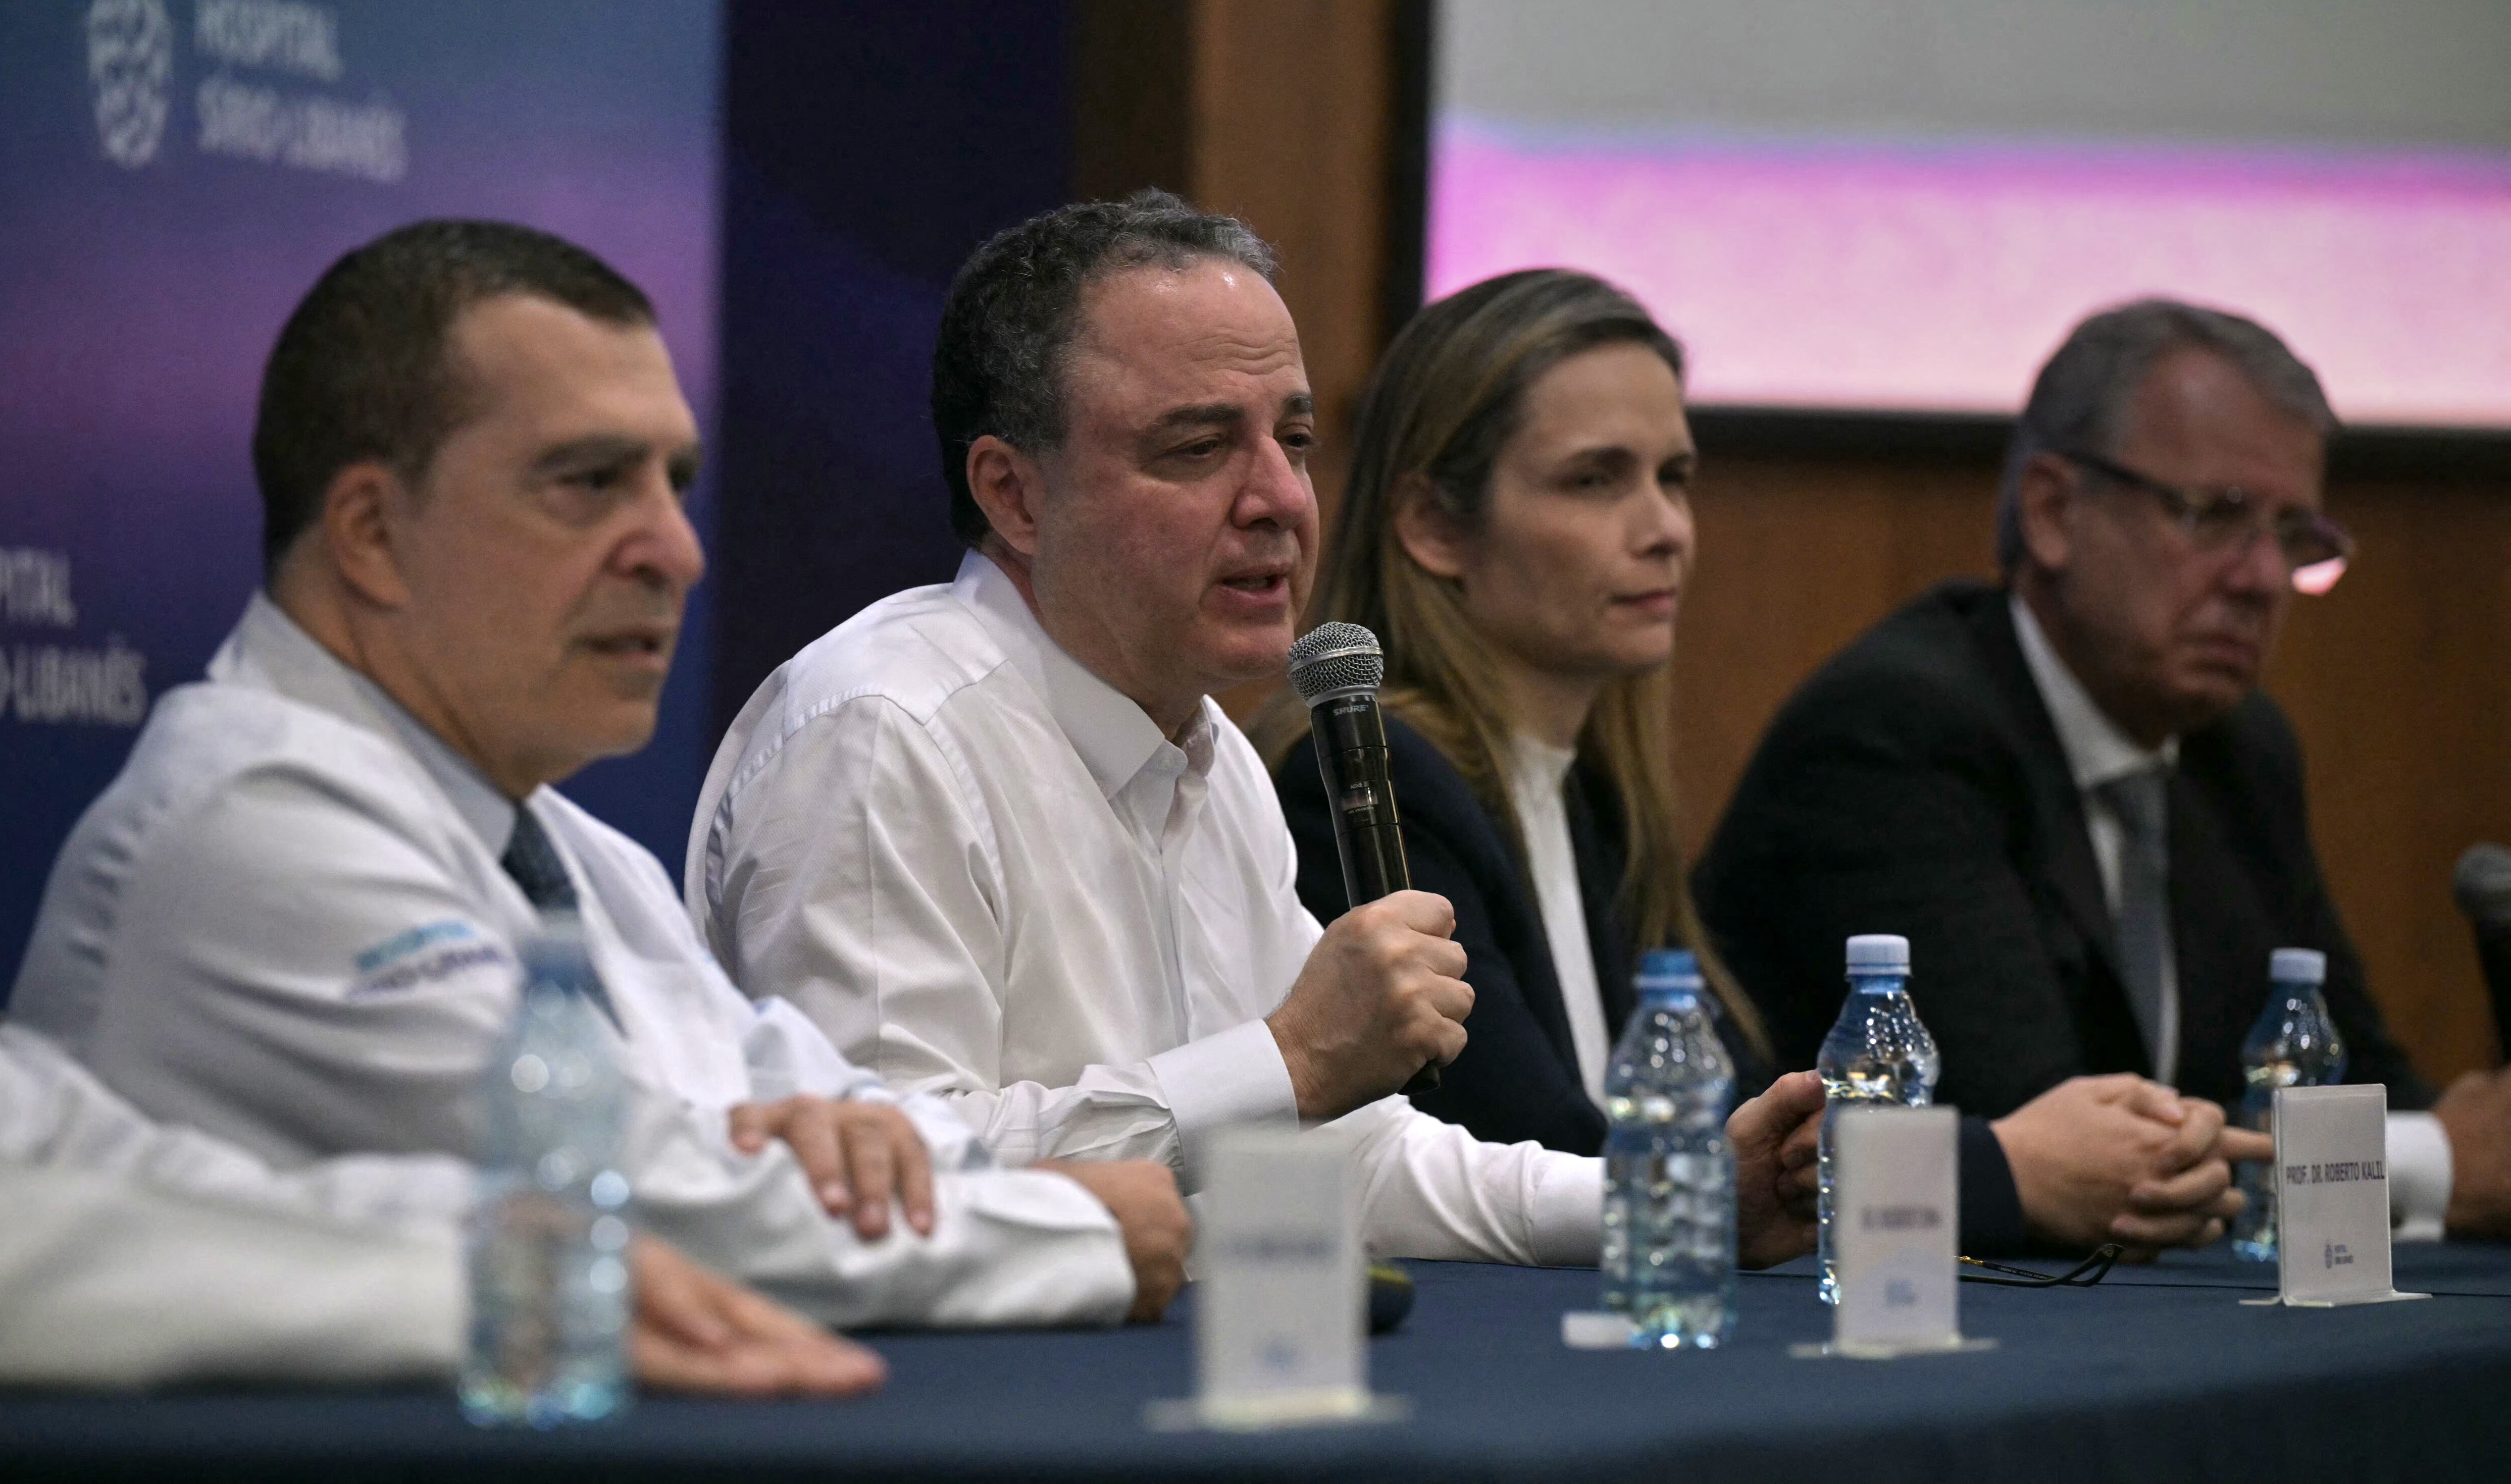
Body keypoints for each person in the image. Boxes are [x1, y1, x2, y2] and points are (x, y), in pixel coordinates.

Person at [10, 220, 1188, 1329]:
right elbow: (621, 1210)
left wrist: (852, 1152)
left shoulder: (568, 847)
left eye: (673, 483)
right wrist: (1076, 1226)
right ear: (369, 532)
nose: (674, 550)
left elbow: (842, 1116)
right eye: (587, 482)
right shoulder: (254, 824)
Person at [688, 193, 1823, 1270]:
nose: (1278, 497)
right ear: (1014, 495)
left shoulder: (1212, 754)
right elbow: (887, 1185)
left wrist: (1670, 1201)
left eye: (1294, 438)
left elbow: (1350, 1157)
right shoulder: (882, 735)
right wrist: (1285, 1060)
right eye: (1196, 447)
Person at [1264, 269, 2261, 1255]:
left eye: (1675, 477)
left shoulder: (1592, 800)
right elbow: (1551, 1159)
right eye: (1595, 479)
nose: (1664, 531)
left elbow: (1748, 1135)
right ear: (1434, 524)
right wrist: (2003, 1166)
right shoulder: (1372, 789)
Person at [1697, 297, 2511, 1241]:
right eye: (2214, 516)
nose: (2260, 580)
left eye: (2293, 538)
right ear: (2052, 512)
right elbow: (2067, 1147)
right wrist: (2436, 1162)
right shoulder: (1898, 732)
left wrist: (2461, 1144)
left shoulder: (2240, 752)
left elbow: (2346, 1068)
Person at [0, 1017, 882, 1394]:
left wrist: (495, 1231)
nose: (672, 605)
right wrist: (490, 1281)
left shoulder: (575, 840)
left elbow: (141, 1174)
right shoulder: (271, 811)